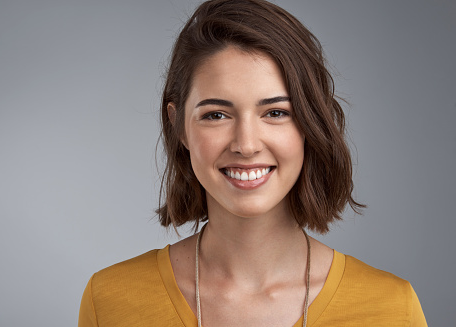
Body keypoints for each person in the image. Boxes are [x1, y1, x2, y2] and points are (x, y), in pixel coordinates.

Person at [78, 0, 427, 326]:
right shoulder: (108, 302)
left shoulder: (393, 308)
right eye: (216, 114)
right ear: (178, 126)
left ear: (310, 123)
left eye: (275, 112)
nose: (246, 145)